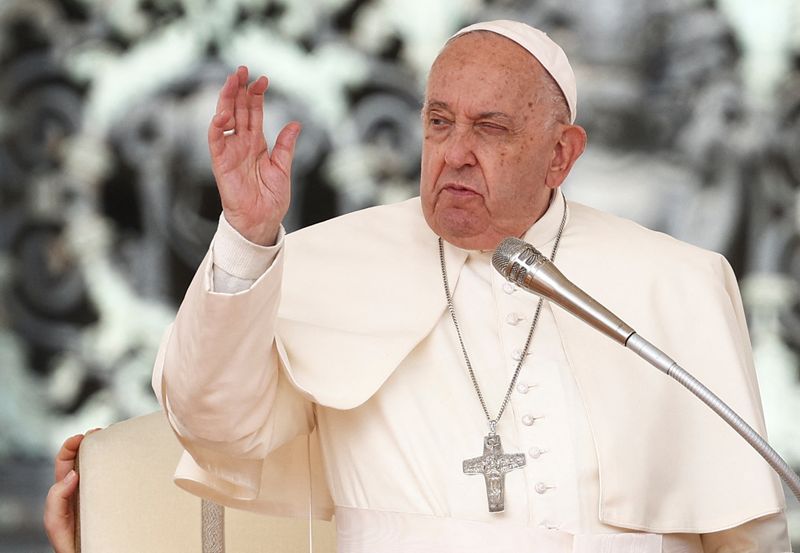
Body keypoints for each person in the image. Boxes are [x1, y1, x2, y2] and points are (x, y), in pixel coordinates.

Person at [151, 20, 790, 552]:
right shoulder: (320, 264)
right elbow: (215, 428)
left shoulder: (676, 281)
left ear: (562, 155)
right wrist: (246, 234)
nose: (455, 152)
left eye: (491, 128)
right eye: (439, 122)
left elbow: (745, 533)